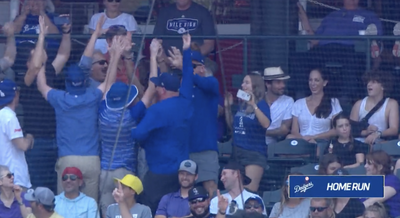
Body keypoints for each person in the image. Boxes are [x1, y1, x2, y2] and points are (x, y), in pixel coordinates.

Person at [35, 32, 130, 201]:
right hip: (91, 159)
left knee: (65, 207)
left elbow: (42, 85)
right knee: (90, 207)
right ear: (84, 82)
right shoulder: (92, 97)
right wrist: (115, 56)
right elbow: (109, 81)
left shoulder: (60, 98)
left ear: (66, 82)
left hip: (67, 159)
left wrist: (41, 59)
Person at [131, 34, 194, 214]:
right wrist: (187, 50)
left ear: (163, 90)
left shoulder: (156, 111)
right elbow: (188, 76)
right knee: (177, 210)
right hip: (182, 171)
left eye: (157, 86)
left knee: (152, 209)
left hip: (159, 172)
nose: (155, 87)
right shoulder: (186, 101)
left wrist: (146, 140)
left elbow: (138, 134)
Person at [21, 15, 70, 193]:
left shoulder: (50, 71)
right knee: (38, 187)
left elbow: (64, 55)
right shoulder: (25, 79)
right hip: (37, 142)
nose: (41, 56)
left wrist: (66, 33)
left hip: (55, 138)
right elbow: (35, 68)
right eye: (36, 54)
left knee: (56, 186)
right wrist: (41, 36)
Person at [167, 47, 220, 197]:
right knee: (185, 191)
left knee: (210, 188)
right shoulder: (182, 90)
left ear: (202, 68)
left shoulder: (211, 84)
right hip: (184, 150)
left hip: (205, 149)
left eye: (192, 66)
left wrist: (183, 67)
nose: (188, 69)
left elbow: (202, 82)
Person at [224, 74, 271, 192]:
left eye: (246, 82)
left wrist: (254, 105)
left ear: (255, 86)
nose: (242, 85)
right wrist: (227, 108)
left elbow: (266, 124)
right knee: (234, 191)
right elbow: (233, 127)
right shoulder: (242, 105)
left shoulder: (261, 104)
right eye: (243, 82)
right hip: (236, 151)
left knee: (249, 192)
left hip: (253, 154)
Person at [287, 69, 342, 156]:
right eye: (310, 80)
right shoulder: (299, 103)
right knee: (289, 138)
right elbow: (294, 131)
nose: (313, 83)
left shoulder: (333, 102)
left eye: (316, 80)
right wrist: (304, 140)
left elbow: (337, 129)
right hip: (301, 140)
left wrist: (314, 137)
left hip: (322, 142)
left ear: (324, 83)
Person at [350, 71, 399, 146]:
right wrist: (366, 132)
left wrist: (377, 134)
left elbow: (394, 129)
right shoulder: (358, 104)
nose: (369, 84)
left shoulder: (391, 104)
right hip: (358, 145)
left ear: (383, 86)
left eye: (373, 82)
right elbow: (350, 129)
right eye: (368, 81)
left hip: (379, 146)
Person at [0, 79, 33, 189]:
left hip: (3, 177)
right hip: (15, 179)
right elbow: (22, 145)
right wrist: (29, 138)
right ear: (16, 94)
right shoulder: (9, 117)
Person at [361, 150, 400, 218]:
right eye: (365, 163)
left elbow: (371, 201)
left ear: (380, 167)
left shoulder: (392, 181)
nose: (365, 166)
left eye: (369, 164)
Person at [263, 67, 294, 144]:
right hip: (250, 142)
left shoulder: (288, 101)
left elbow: (284, 130)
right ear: (268, 84)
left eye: (283, 82)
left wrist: (261, 132)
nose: (283, 85)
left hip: (272, 146)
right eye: (278, 82)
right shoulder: (257, 99)